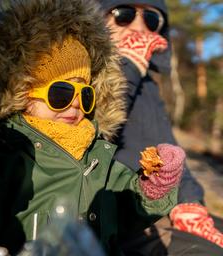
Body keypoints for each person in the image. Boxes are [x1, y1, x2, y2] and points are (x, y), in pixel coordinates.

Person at [0, 0, 185, 255]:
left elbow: (127, 212)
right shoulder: (7, 156)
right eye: (61, 93)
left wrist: (154, 186)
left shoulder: (96, 155)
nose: (75, 105)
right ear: (21, 94)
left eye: (86, 94)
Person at [97, 0, 223, 254]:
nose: (138, 27)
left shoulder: (147, 83)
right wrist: (128, 66)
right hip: (122, 214)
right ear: (96, 17)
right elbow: (94, 132)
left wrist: (190, 204)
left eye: (152, 20)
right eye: (124, 14)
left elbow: (170, 150)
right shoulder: (81, 72)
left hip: (163, 205)